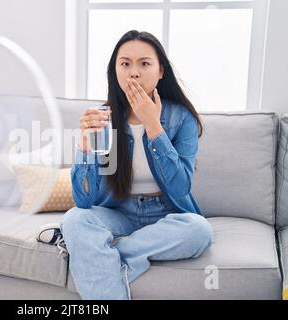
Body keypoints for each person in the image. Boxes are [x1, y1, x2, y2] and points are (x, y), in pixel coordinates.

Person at [60, 30, 213, 300]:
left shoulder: (182, 118)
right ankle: (103, 261)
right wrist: (84, 145)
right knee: (74, 219)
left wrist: (153, 126)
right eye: (125, 64)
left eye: (144, 63)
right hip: (119, 212)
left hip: (166, 213)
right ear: (115, 71)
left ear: (160, 71)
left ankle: (103, 256)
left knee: (199, 230)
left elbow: (180, 186)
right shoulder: (102, 117)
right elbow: (84, 200)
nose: (134, 73)